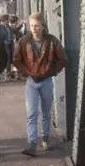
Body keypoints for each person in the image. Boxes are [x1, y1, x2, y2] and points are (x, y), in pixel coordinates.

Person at [13, 12, 68, 156]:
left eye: (37, 26)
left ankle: (46, 139)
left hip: (46, 81)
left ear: (43, 26)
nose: (34, 29)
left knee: (46, 112)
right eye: (31, 26)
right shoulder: (24, 41)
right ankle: (32, 143)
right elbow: (16, 59)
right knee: (32, 113)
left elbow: (63, 59)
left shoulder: (52, 41)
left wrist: (51, 72)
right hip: (31, 81)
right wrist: (27, 72)